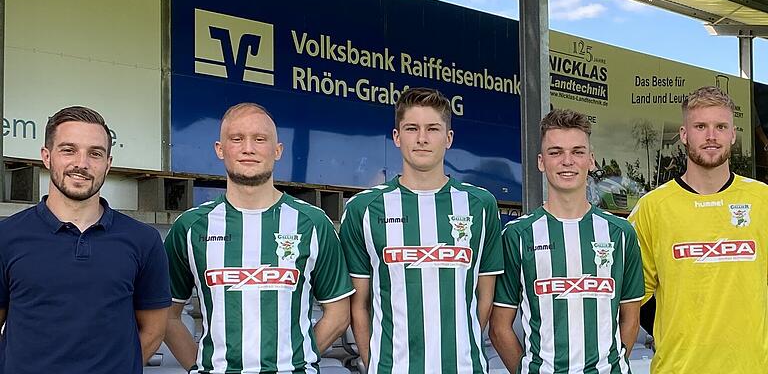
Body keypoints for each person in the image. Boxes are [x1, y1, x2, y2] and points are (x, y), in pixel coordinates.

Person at [164, 103, 354, 373]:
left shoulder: (312, 223)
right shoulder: (191, 227)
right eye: (237, 138)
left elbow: (338, 313)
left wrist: (298, 360)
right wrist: (200, 366)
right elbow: (167, 316)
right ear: (220, 149)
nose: (248, 148)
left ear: (278, 151)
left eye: (260, 139)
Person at [340, 87, 503, 373]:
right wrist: (375, 364)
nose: (422, 138)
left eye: (433, 129)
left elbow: (484, 296)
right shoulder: (363, 209)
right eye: (412, 128)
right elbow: (358, 306)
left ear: (448, 138)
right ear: (396, 137)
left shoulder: (481, 205)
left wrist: (460, 346)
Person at [0, 106, 171, 373]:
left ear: (108, 163)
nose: (82, 163)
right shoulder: (7, 236)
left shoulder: (143, 240)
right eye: (68, 150)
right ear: (46, 157)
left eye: (95, 153)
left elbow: (154, 330)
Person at [490, 108, 643, 373]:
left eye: (577, 152)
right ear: (541, 162)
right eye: (556, 152)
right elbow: (499, 327)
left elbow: (630, 318)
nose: (567, 161)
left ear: (591, 160)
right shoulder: (516, 235)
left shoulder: (621, 233)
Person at [628, 86, 768, 373]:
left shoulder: (762, 201)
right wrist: (680, 330)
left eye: (720, 126)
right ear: (683, 134)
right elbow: (633, 298)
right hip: (678, 367)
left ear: (733, 134)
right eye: (700, 126)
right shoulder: (653, 208)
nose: (711, 136)